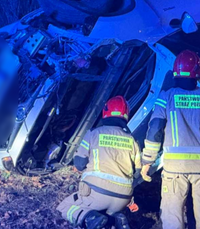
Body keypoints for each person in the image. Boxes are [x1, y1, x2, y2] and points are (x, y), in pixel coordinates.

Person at [140, 50, 200, 229]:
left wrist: (147, 161)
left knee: (173, 215)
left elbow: (155, 130)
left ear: (176, 72)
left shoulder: (166, 97)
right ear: (197, 72)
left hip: (175, 169)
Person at [57, 96, 141, 229]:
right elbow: (137, 171)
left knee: (65, 207)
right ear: (126, 115)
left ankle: (90, 218)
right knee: (106, 220)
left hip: (96, 193)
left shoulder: (93, 134)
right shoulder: (132, 140)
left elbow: (79, 163)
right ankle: (116, 221)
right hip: (123, 198)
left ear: (105, 112)